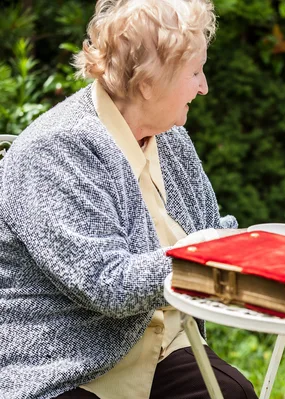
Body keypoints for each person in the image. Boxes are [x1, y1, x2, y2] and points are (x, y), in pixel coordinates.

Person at [0, 1, 258, 398]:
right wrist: (211, 256)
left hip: (161, 345)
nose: (204, 86)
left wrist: (252, 247)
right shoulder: (55, 150)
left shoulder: (168, 136)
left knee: (231, 393)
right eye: (194, 72)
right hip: (69, 363)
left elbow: (208, 228)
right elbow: (107, 283)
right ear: (148, 82)